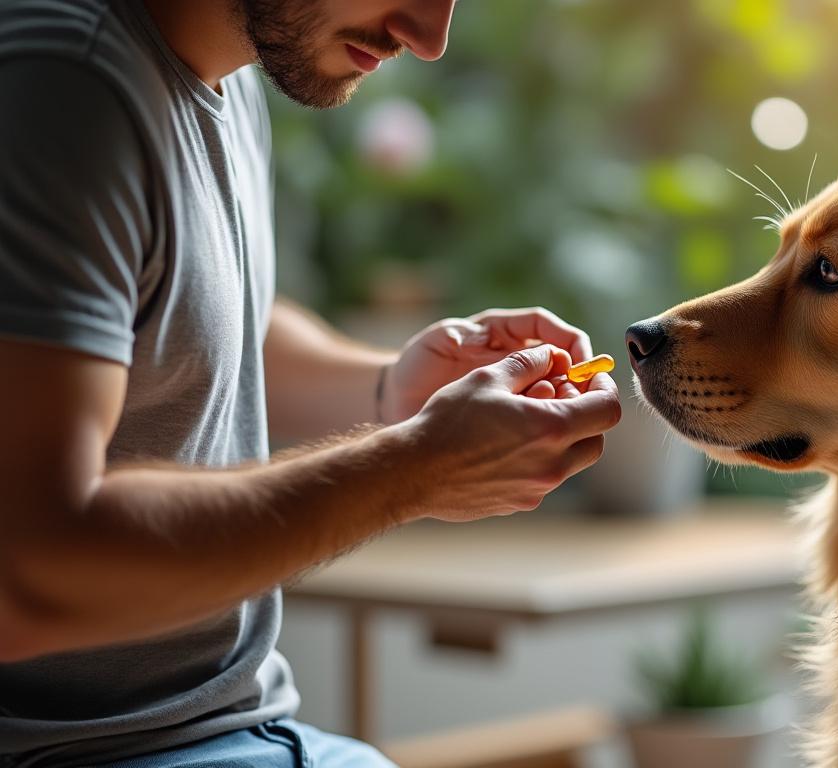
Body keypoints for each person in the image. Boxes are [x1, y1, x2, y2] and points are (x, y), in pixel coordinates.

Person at [0, 0, 622, 765]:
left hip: (230, 726)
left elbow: (211, 314)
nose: (428, 38)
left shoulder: (228, 79)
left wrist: (394, 390)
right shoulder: (65, 84)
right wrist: (412, 471)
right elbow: (31, 571)